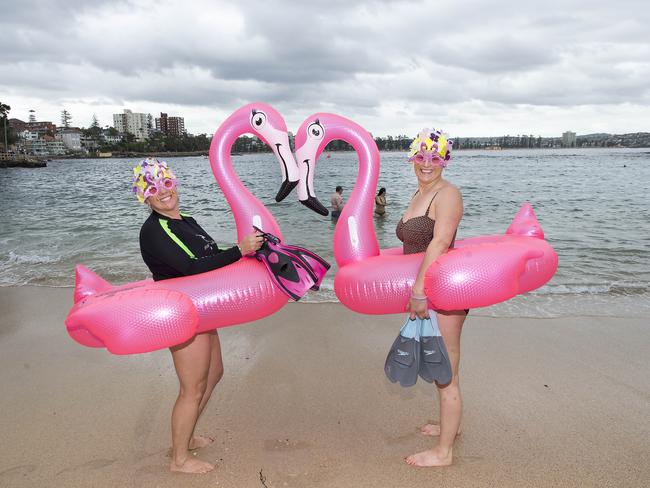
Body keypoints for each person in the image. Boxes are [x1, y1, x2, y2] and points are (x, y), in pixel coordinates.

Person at [133, 158, 263, 474]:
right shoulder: (154, 230)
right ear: (144, 197)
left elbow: (210, 255)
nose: (163, 192)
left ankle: (186, 438)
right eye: (153, 188)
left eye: (165, 183)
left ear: (173, 183)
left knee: (214, 372)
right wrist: (239, 250)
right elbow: (190, 267)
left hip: (204, 307)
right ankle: (179, 458)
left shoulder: (186, 220)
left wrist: (246, 257)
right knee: (191, 388)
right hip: (183, 312)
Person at [395, 129, 467, 468]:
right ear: (412, 157)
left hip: (442, 291)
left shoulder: (447, 194)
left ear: (445, 160)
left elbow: (439, 243)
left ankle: (444, 452)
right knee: (442, 364)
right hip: (429, 289)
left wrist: (419, 290)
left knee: (445, 368)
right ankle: (449, 427)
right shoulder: (419, 192)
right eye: (421, 156)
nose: (427, 163)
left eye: (435, 157)